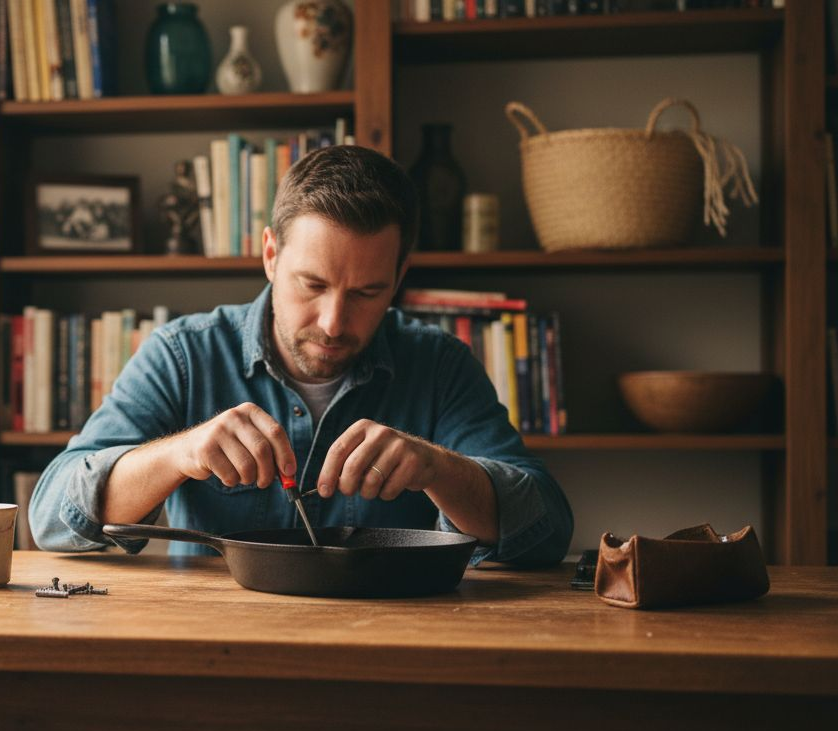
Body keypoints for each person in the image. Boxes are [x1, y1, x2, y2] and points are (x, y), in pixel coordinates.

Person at [29, 145, 572, 566]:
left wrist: (440, 469)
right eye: (312, 284)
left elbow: (547, 527)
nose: (334, 323)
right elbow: (52, 516)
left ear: (399, 277)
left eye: (366, 293)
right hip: (211, 651)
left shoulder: (441, 366)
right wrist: (178, 455)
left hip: (393, 652)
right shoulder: (184, 354)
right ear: (270, 255)